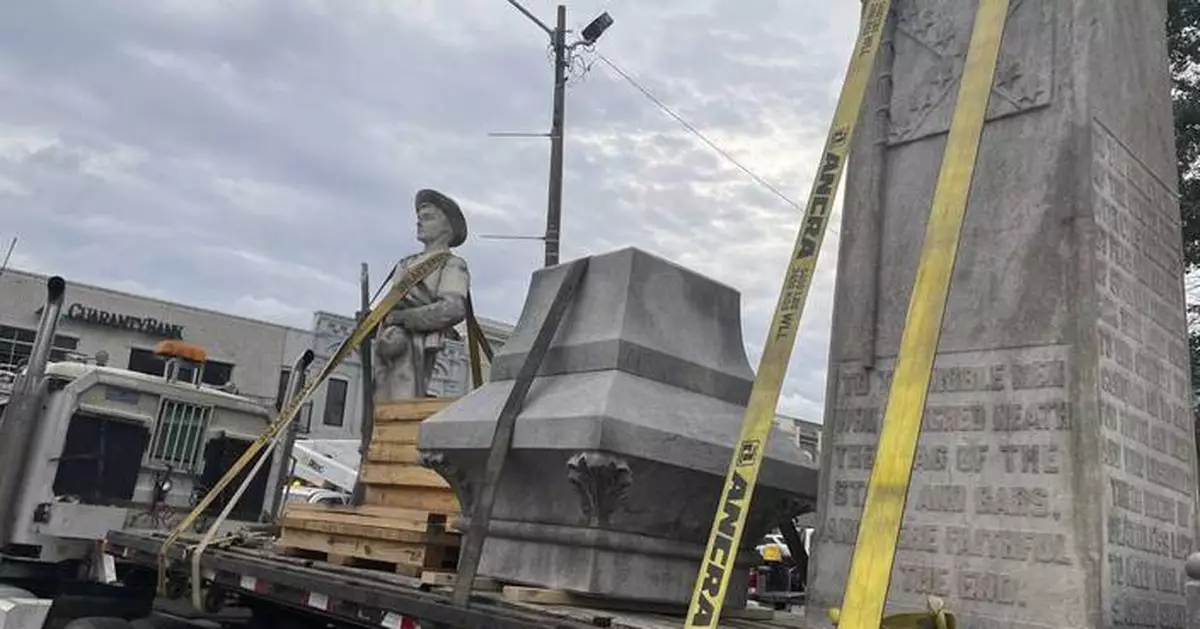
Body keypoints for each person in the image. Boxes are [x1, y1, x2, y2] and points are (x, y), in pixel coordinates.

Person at [372, 188, 471, 402]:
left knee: (401, 401)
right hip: (386, 345)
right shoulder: (405, 264)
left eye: (427, 218)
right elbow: (389, 306)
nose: (419, 223)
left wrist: (403, 319)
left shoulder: (451, 264)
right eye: (418, 218)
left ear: (447, 227)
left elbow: (453, 308)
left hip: (414, 346)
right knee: (378, 403)